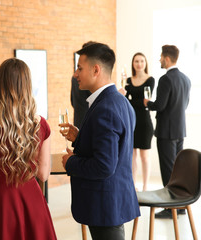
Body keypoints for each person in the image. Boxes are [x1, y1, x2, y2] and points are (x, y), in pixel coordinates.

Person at [60, 43, 140, 240]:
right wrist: (80, 137)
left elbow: (104, 165)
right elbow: (116, 148)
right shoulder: (119, 101)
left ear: (96, 70)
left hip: (105, 204)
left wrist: (70, 162)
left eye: (79, 68)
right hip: (111, 201)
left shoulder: (105, 108)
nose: (75, 74)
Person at [0, 58, 57, 239]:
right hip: (32, 202)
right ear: (27, 86)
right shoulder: (41, 125)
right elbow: (43, 174)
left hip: (0, 204)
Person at [144, 45, 191, 219]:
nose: (159, 60)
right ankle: (180, 206)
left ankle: (170, 207)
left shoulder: (165, 79)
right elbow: (184, 105)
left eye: (161, 57)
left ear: (167, 58)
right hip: (180, 130)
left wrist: (147, 103)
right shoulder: (186, 79)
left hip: (166, 132)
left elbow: (160, 106)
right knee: (178, 170)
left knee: (168, 170)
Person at [124, 52, 155, 191]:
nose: (139, 64)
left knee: (144, 156)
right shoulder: (128, 81)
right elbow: (125, 100)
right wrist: (136, 102)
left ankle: (145, 185)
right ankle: (133, 184)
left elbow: (146, 102)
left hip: (144, 122)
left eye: (142, 61)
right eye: (136, 61)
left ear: (145, 63)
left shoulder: (150, 80)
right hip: (131, 121)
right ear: (133, 63)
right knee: (132, 156)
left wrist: (132, 101)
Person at [71, 42, 96, 128]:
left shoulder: (74, 77)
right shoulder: (88, 78)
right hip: (90, 124)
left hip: (78, 122)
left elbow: (72, 101)